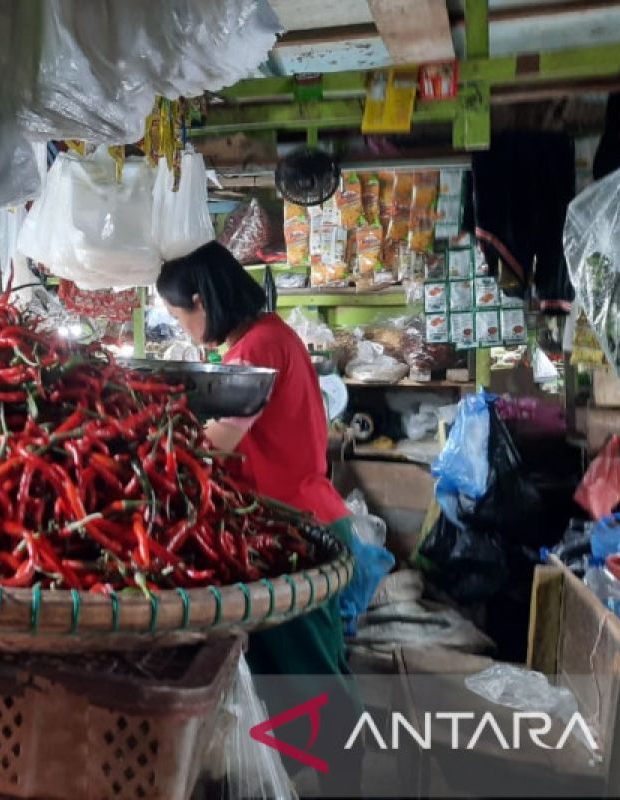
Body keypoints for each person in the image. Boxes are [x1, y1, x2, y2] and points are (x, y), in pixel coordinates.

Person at [156, 240, 363, 794]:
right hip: (298, 520)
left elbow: (217, 442)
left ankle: (344, 780)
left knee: (309, 677)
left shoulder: (258, 345)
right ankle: (321, 775)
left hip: (293, 530)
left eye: (181, 316)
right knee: (312, 668)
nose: (183, 328)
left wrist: (157, 441)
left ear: (202, 299)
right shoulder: (264, 336)